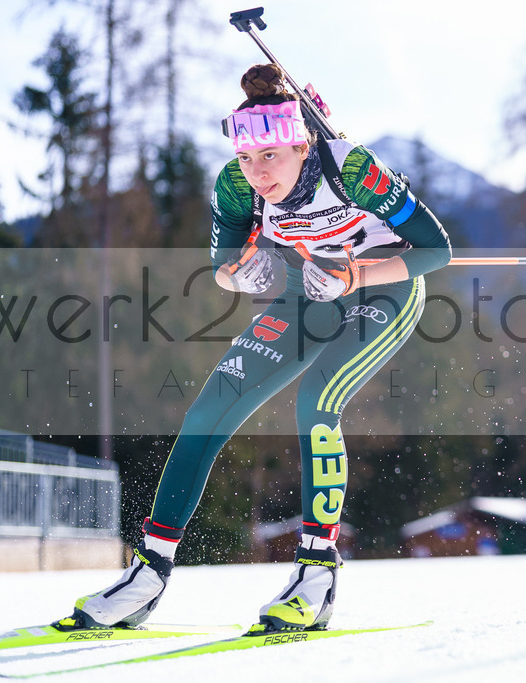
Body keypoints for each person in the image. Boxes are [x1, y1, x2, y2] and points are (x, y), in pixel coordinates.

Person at [56, 63, 451, 633]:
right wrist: (241, 272)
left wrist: (355, 276)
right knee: (208, 410)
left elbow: (435, 250)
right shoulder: (235, 185)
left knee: (317, 401)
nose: (257, 172)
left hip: (381, 292)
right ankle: (148, 575)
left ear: (301, 142)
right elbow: (223, 268)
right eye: (247, 157)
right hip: (303, 293)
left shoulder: (354, 168)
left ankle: (316, 576)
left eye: (271, 156)